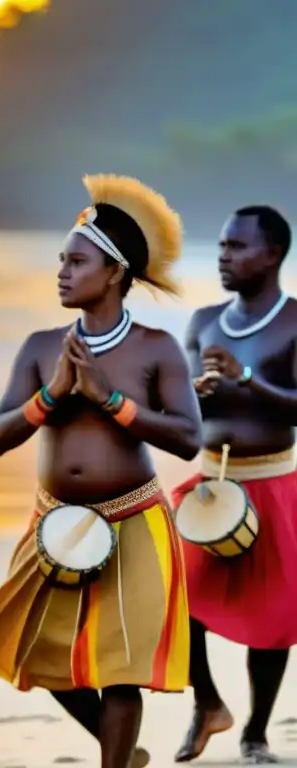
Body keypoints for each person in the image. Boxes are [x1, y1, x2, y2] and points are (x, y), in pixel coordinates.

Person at [0, 175, 202, 768]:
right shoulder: (41, 347)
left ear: (113, 272)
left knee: (121, 671)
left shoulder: (156, 349)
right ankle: (123, 753)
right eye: (61, 259)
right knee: (34, 653)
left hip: (134, 521)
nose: (61, 270)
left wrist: (112, 401)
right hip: (52, 526)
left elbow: (189, 439)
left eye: (76, 260)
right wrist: (54, 395)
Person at [170, 205, 297, 765]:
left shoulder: (296, 322)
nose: (224, 256)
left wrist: (248, 379)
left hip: (273, 480)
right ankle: (208, 703)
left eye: (237, 247)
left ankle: (256, 733)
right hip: (210, 484)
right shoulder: (202, 322)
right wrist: (195, 393)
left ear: (272, 255)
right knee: (177, 594)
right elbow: (181, 410)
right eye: (221, 246)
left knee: (272, 618)